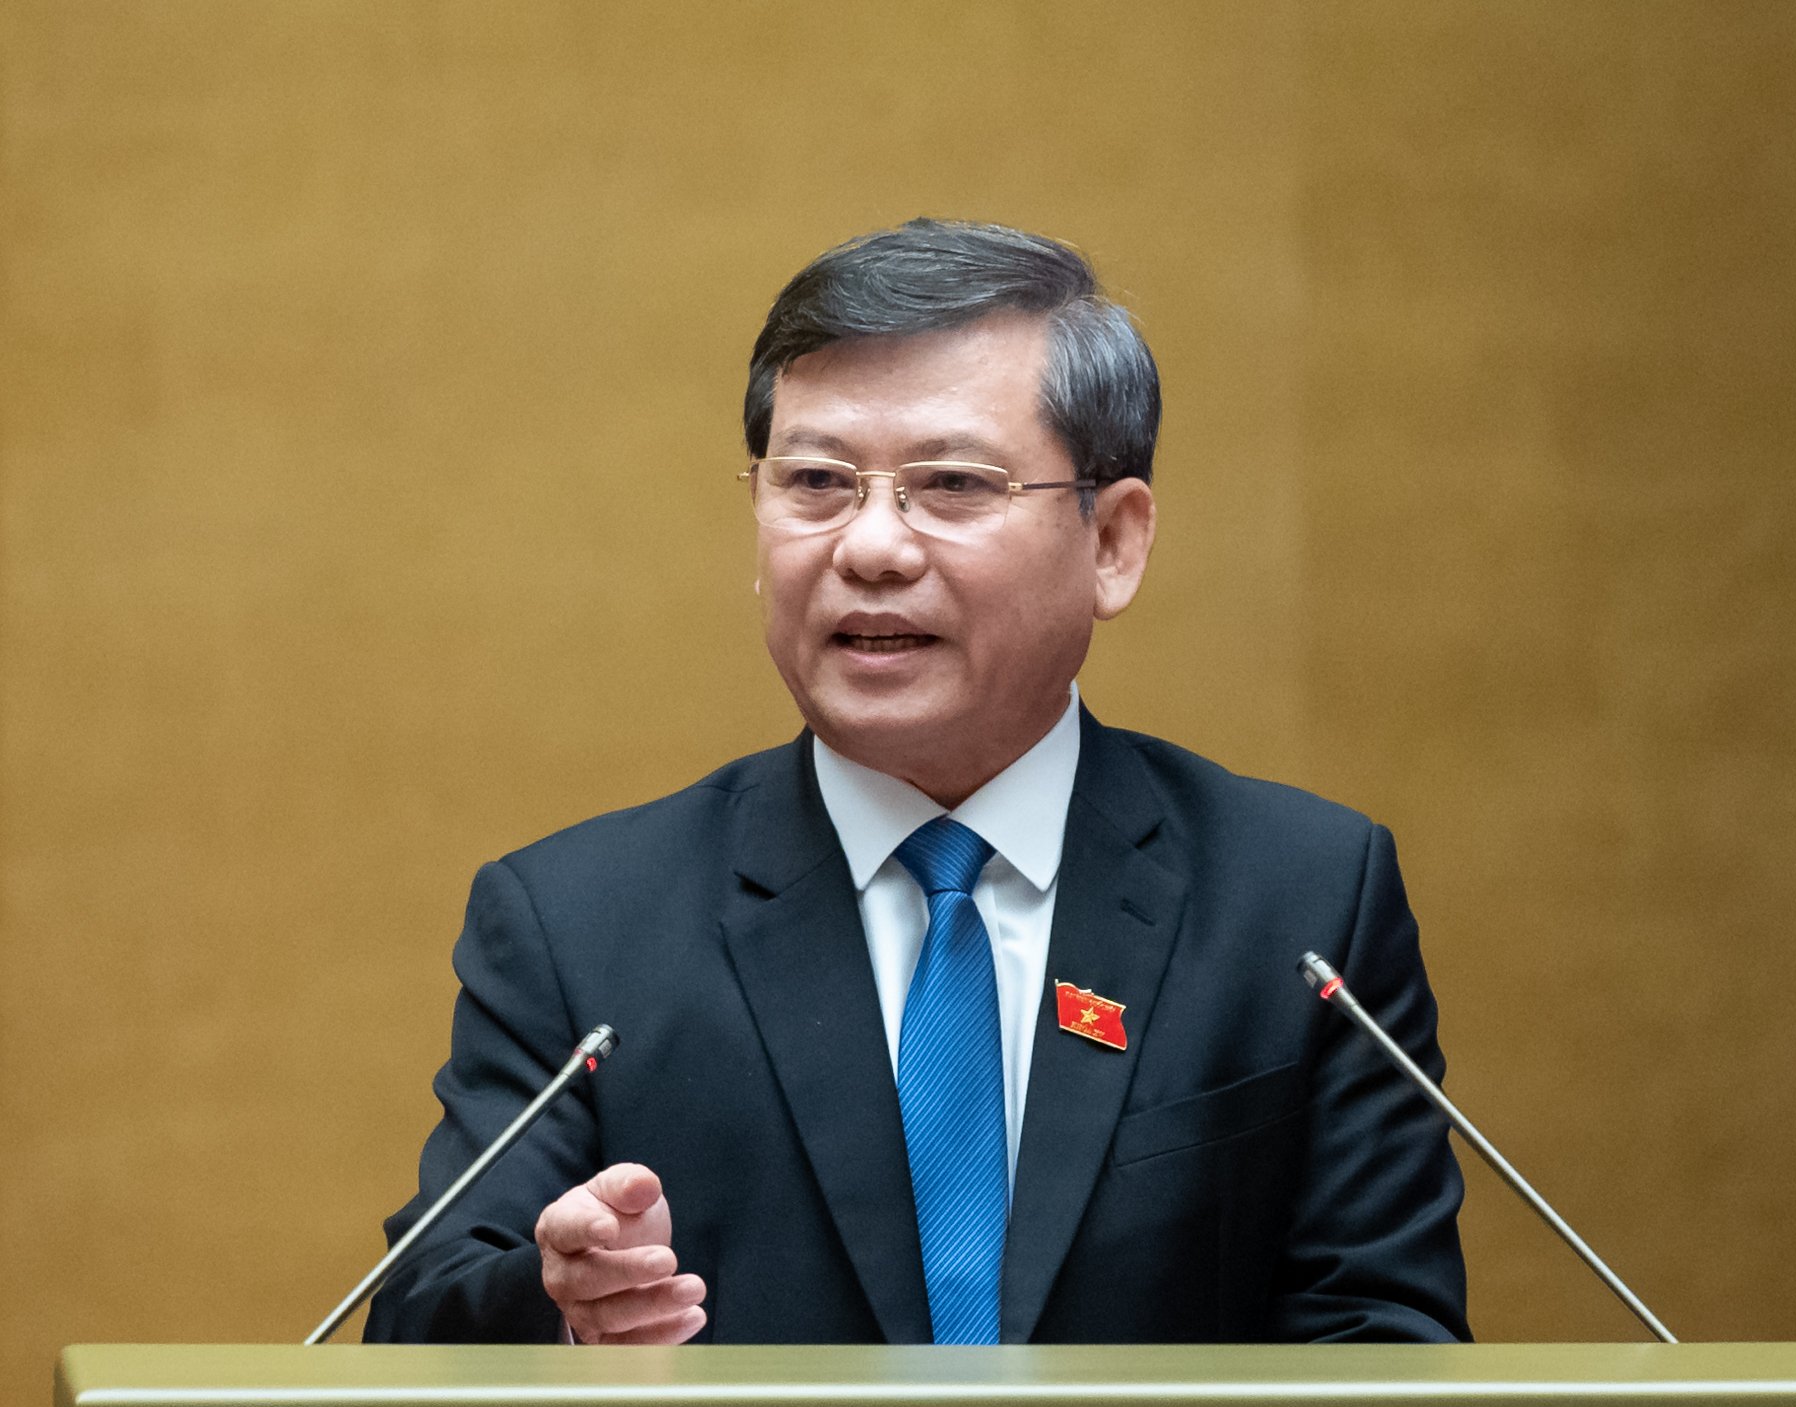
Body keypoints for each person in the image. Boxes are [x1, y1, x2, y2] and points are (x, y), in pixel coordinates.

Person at [363, 220, 1468, 1347]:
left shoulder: (1300, 907)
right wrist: (557, 1308)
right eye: (816, 483)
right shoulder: (580, 924)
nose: (872, 547)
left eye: (951, 483)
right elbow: (419, 1325)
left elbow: (1386, 1349)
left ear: (1114, 542)